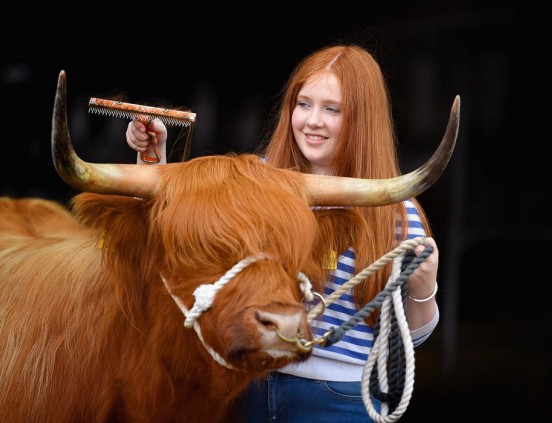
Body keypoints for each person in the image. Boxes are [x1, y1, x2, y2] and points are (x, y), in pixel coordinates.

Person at [126, 44, 440, 422]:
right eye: (303, 104)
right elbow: (183, 226)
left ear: (363, 118)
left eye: (332, 109)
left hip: (339, 398)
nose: (312, 121)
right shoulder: (255, 183)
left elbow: (410, 339)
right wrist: (154, 160)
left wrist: (425, 288)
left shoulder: (398, 213)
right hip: (249, 384)